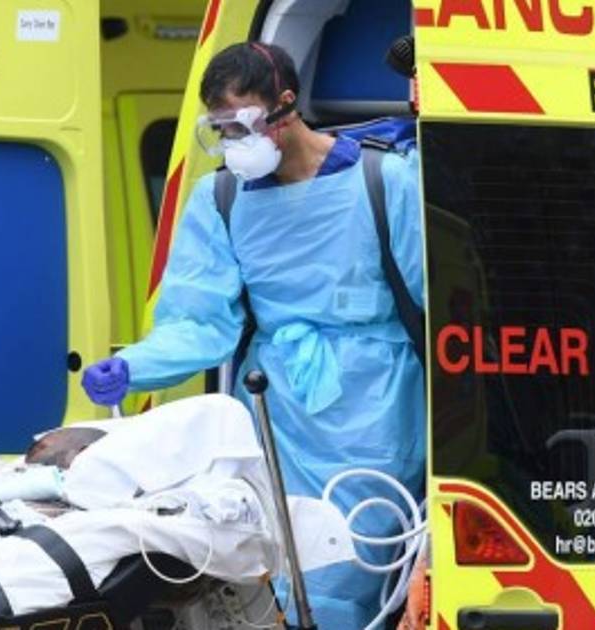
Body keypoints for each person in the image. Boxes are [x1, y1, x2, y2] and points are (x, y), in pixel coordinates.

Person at [82, 41, 425, 629]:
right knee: (279, 573)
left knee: (357, 565)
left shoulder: (384, 180)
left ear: (284, 106)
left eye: (240, 125)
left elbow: (437, 300)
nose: (232, 143)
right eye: (219, 130)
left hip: (376, 411)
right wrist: (136, 366)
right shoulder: (220, 200)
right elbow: (199, 321)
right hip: (275, 411)